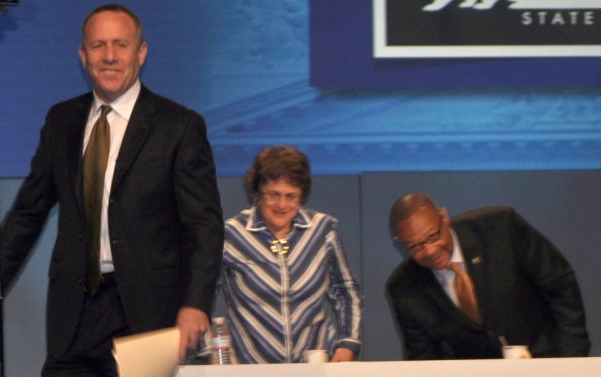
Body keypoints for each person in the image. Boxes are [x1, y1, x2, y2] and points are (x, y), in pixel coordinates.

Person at [0, 4, 223, 377]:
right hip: (76, 311)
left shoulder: (178, 126)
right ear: (82, 56)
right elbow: (27, 212)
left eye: (120, 45)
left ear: (141, 53)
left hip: (145, 313)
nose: (109, 56)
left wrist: (195, 303)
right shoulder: (62, 121)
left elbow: (204, 226)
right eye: (98, 46)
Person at [386, 192, 590, 360]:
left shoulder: (502, 228)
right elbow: (425, 363)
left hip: (549, 365)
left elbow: (561, 286)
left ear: (444, 217)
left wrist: (571, 360)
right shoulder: (404, 290)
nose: (430, 251)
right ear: (401, 244)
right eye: (415, 246)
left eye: (433, 236)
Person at [218, 145, 362, 363]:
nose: (282, 204)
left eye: (291, 196)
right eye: (273, 194)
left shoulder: (322, 230)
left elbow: (346, 291)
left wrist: (347, 343)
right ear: (257, 193)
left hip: (314, 365)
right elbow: (200, 299)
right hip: (249, 368)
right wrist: (211, 351)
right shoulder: (231, 234)